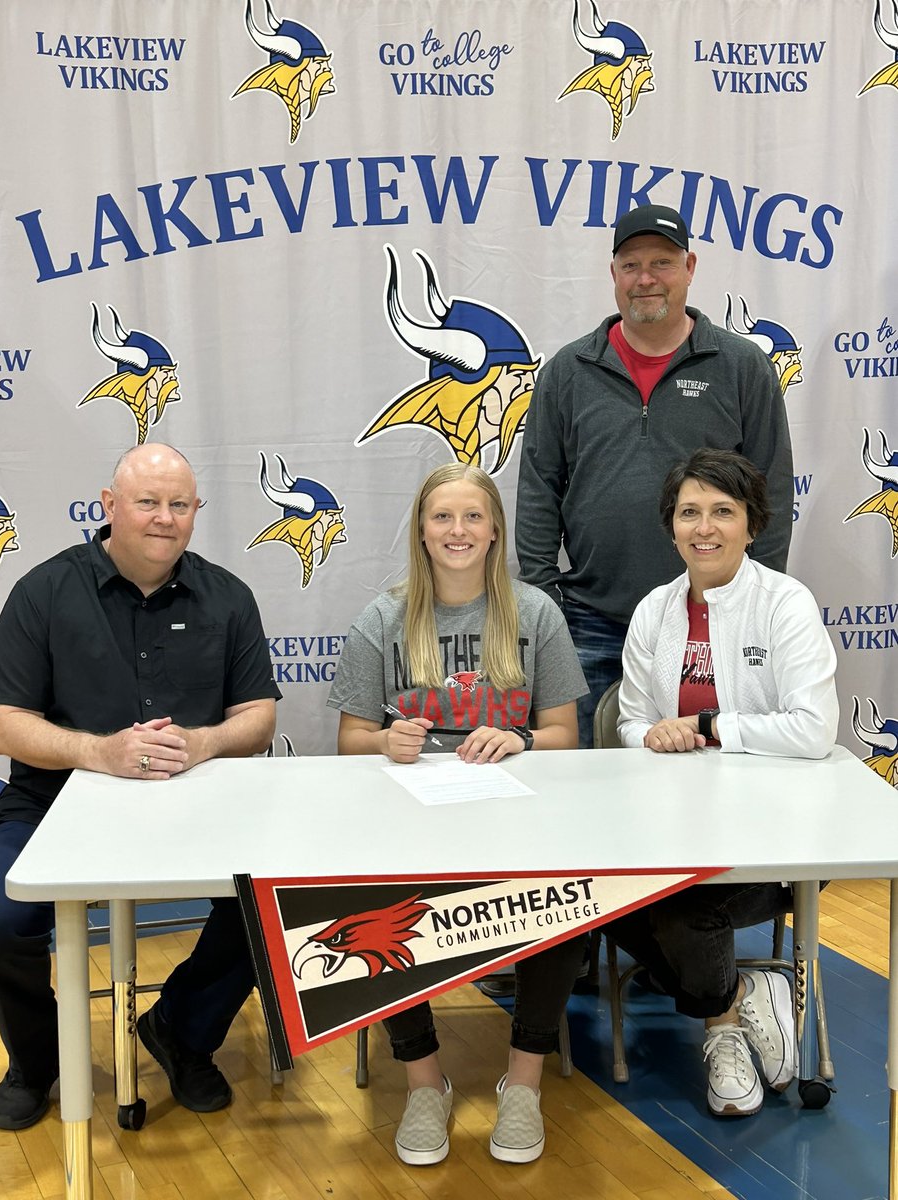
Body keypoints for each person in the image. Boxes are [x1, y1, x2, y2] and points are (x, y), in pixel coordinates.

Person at [0, 444, 279, 1130]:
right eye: (148, 502)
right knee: (1, 913)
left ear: (195, 513)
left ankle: (181, 1031)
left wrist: (204, 741)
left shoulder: (228, 596)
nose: (164, 518)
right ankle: (39, 1059)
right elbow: (6, 722)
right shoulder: (43, 591)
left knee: (269, 893)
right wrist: (97, 751)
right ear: (109, 506)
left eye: (179, 504)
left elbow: (260, 716)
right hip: (55, 800)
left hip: (196, 801)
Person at [328, 462, 588, 1166]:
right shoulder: (383, 618)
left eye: (473, 517)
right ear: (420, 529)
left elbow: (566, 736)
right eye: (443, 517)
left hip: (515, 822)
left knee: (569, 896)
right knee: (371, 904)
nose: (458, 531)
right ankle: (424, 1083)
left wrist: (523, 736)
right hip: (413, 828)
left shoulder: (535, 613)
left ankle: (524, 1080)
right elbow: (350, 742)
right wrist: (386, 739)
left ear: (496, 529)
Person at [607, 448, 838, 1117]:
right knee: (598, 902)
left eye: (722, 512)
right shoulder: (655, 610)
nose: (704, 527)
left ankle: (719, 1031)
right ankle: (737, 996)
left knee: (684, 909)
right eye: (689, 512)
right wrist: (649, 734)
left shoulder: (786, 604)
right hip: (676, 828)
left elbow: (813, 728)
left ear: (751, 523)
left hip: (778, 838)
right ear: (671, 526)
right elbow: (628, 721)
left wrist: (708, 725)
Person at [515, 203, 793, 747]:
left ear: (690, 267)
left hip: (709, 620)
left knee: (712, 778)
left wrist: (750, 604)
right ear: (613, 273)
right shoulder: (568, 373)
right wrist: (545, 606)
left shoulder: (740, 366)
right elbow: (538, 493)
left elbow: (772, 493)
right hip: (590, 622)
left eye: (662, 263)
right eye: (631, 265)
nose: (646, 279)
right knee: (582, 786)